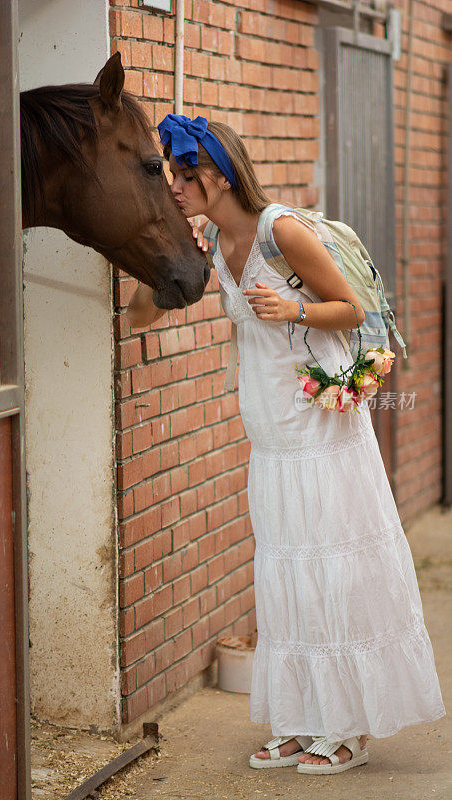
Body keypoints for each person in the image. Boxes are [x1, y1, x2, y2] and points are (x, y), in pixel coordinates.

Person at [127, 114, 446, 775]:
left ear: (214, 175)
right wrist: (167, 247)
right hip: (270, 435)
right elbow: (141, 312)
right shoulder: (212, 243)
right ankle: (302, 722)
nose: (174, 189)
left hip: (320, 431)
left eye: (181, 178)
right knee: (288, 577)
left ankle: (348, 729)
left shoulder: (281, 230)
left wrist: (294, 310)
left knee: (333, 572)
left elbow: (349, 308)